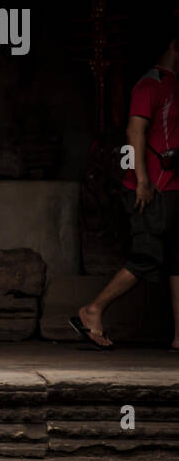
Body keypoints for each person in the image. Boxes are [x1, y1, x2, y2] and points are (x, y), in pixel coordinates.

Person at [74, 24, 179, 349]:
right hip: (153, 189)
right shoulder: (151, 83)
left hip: (174, 189)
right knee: (146, 257)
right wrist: (143, 182)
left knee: (177, 259)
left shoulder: (175, 84)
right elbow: (135, 133)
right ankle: (93, 310)